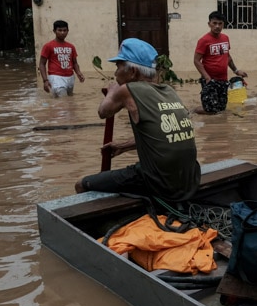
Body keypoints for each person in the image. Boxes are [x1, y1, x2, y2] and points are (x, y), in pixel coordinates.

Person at [76, 38, 200, 202]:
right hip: (190, 179)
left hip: (160, 183)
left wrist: (113, 91)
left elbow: (103, 112)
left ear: (133, 72)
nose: (115, 73)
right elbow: (167, 133)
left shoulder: (128, 89)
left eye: (118, 67)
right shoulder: (169, 90)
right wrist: (124, 145)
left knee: (81, 184)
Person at [194, 11, 247, 114]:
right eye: (214, 23)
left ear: (223, 24)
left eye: (220, 23)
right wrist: (207, 78)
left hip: (223, 79)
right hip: (210, 80)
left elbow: (227, 56)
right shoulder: (204, 40)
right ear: (209, 24)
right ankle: (193, 111)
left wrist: (236, 71)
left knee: (221, 109)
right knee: (211, 110)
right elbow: (196, 60)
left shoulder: (225, 38)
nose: (217, 26)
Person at [38, 20, 85, 97]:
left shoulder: (71, 46)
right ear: (54, 31)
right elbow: (42, 64)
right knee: (63, 101)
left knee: (69, 101)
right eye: (60, 30)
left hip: (70, 77)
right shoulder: (48, 46)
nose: (62, 33)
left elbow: (74, 62)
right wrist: (45, 80)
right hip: (56, 78)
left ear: (67, 31)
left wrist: (79, 73)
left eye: (64, 30)